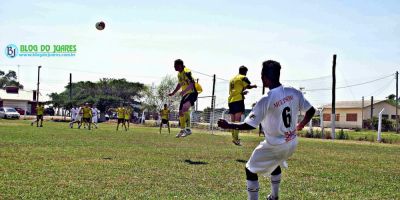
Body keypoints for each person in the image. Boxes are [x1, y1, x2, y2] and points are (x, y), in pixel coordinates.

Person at [218, 60, 316, 200]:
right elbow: (311, 111)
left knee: (250, 169)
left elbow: (250, 125)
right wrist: (300, 125)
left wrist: (229, 125)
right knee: (274, 163)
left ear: (264, 77)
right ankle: (274, 196)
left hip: (275, 145)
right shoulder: (293, 92)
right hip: (292, 143)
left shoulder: (266, 99)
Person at [168, 59, 198, 138]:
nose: (174, 67)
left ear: (180, 65)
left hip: (192, 92)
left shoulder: (187, 71)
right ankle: (182, 130)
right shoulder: (179, 74)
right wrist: (173, 93)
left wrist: (184, 91)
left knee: (185, 108)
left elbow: (192, 84)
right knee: (180, 112)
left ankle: (188, 130)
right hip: (185, 94)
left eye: (175, 66)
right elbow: (180, 84)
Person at [228, 65, 257, 145]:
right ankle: (236, 139)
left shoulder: (232, 79)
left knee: (232, 121)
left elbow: (235, 91)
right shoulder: (243, 77)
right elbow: (248, 86)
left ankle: (234, 138)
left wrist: (242, 92)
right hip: (238, 100)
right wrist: (254, 86)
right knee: (237, 120)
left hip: (231, 100)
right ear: (245, 71)